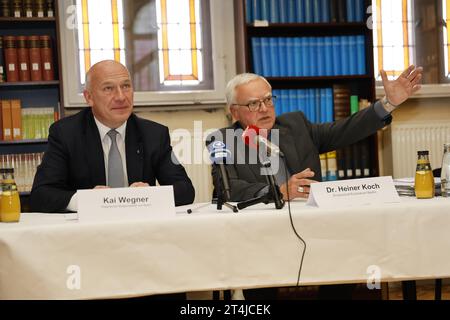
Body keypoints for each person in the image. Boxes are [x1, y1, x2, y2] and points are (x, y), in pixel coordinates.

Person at [206, 65, 422, 299]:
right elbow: (228, 189)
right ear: (234, 112)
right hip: (262, 236)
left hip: (314, 229)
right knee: (260, 283)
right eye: (253, 104)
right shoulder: (223, 140)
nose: (265, 109)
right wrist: (278, 191)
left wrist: (387, 104)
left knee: (350, 254)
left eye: (268, 100)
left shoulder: (296, 126)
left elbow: (344, 130)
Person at [30, 60, 195, 213]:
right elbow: (41, 195)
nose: (121, 97)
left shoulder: (153, 134)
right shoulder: (66, 133)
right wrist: (86, 201)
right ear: (89, 97)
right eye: (108, 88)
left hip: (140, 227)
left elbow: (185, 190)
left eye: (126, 86)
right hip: (87, 232)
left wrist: (151, 195)